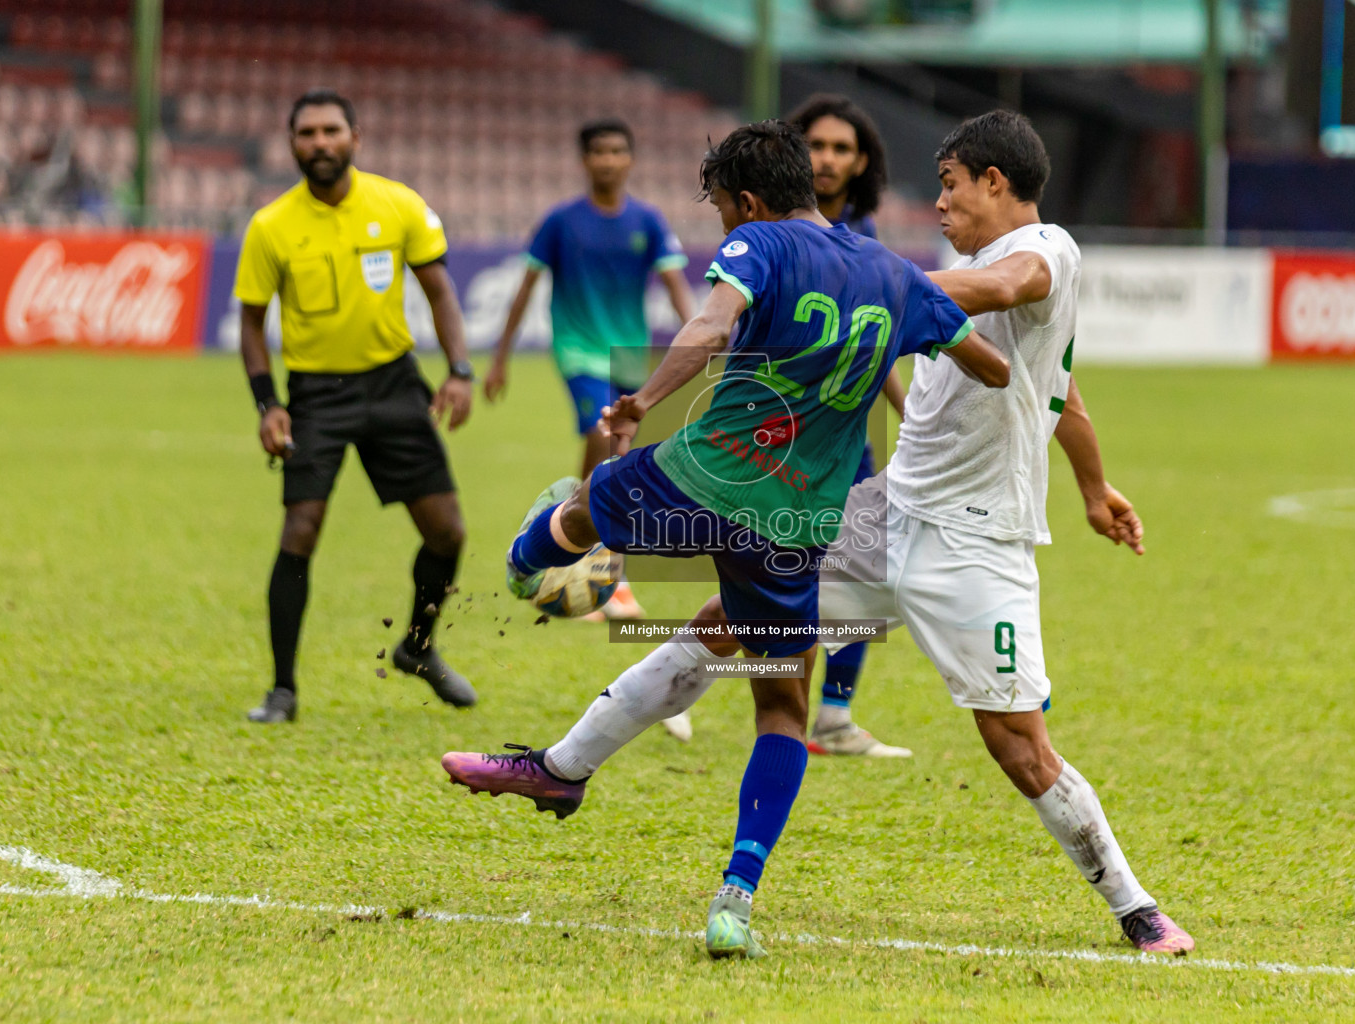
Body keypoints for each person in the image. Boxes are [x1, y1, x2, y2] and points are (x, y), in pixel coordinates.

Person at [447, 110, 1195, 958]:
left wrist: (865, 285)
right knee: (721, 635)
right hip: (884, 513)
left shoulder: (1048, 249)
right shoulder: (939, 266)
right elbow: (1060, 389)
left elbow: (1009, 290)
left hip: (979, 544)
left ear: (995, 182)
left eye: (950, 184)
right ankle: (561, 769)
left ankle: (1136, 908)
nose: (939, 201)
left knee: (1019, 747)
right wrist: (1095, 488)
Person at [657, 93, 909, 755]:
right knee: (762, 578)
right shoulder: (768, 235)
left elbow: (872, 343)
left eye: (842, 149)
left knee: (859, 574)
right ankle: (678, 680)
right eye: (817, 145)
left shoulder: (864, 241)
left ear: (862, 163)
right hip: (771, 433)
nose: (828, 158)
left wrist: (909, 415)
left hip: (840, 433)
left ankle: (833, 715)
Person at [237, 89, 477, 724]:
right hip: (316, 394)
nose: (320, 143)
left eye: (331, 130)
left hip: (395, 385)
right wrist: (268, 405)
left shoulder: (398, 205)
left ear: (355, 137)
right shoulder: (270, 226)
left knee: (447, 531)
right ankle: (282, 690)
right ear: (292, 144)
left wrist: (458, 370)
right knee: (300, 529)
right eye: (307, 133)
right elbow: (251, 325)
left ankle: (418, 648)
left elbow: (441, 293)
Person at [483, 119, 695, 620]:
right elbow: (525, 289)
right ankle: (585, 548)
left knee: (625, 458)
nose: (608, 159)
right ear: (584, 160)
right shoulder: (560, 221)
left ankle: (590, 546)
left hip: (630, 352)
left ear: (630, 159)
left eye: (618, 150)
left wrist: (704, 338)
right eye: (598, 151)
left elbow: (676, 286)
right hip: (578, 348)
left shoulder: (647, 220)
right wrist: (498, 358)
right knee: (602, 435)